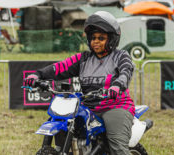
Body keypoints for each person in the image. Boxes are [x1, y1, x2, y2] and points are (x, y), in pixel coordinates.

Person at [23, 11, 134, 155]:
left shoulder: (121, 56)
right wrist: (38, 75)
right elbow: (59, 67)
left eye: (101, 38)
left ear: (112, 39)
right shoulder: (83, 59)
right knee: (67, 124)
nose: (96, 41)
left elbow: (126, 72)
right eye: (93, 37)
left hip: (115, 106)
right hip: (88, 106)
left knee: (118, 147)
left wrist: (116, 86)